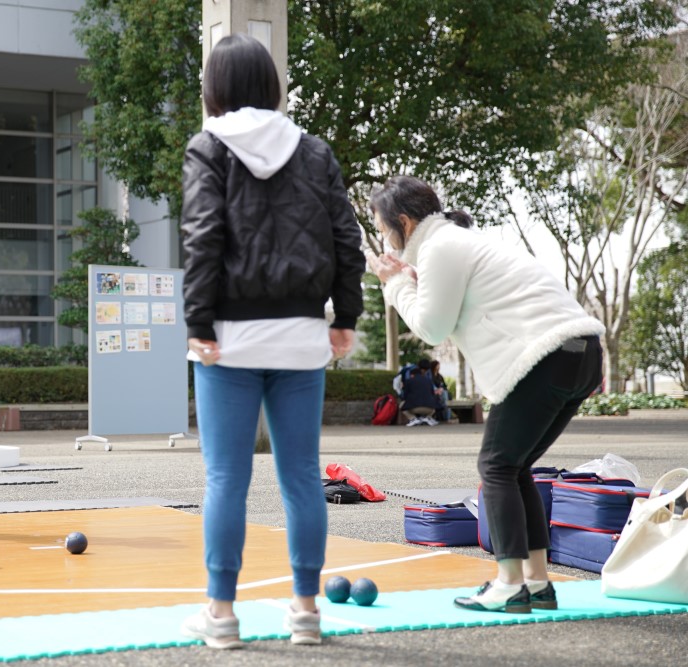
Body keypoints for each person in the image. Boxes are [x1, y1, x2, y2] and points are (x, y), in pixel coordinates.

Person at [179, 34, 365, 649]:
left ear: (216, 89)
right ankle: (306, 613)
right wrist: (347, 316)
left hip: (228, 338)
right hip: (301, 335)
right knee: (302, 478)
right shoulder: (313, 152)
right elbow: (345, 238)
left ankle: (222, 617)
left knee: (226, 479)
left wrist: (199, 322)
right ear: (271, 85)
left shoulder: (207, 148)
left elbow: (203, 237)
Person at [367, 175, 604, 614]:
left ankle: (509, 583)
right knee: (514, 467)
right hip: (582, 352)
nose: (385, 238)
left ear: (403, 221)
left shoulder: (440, 247)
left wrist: (393, 283)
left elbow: (431, 327)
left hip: (548, 354)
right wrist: (410, 279)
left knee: (495, 466)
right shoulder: (455, 242)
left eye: (383, 229)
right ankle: (536, 583)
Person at [401, 358, 439, 426]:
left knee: (402, 404)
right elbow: (433, 394)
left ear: (411, 375)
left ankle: (413, 419)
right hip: (430, 408)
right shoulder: (429, 380)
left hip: (414, 408)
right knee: (434, 401)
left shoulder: (409, 380)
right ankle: (427, 418)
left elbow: (404, 396)